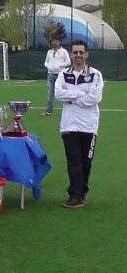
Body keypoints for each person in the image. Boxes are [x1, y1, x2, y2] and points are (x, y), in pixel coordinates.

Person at [54, 40, 103, 209]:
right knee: (73, 161)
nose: (78, 56)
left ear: (86, 54)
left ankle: (81, 193)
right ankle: (75, 195)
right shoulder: (63, 74)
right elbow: (58, 94)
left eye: (81, 52)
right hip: (69, 125)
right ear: (71, 54)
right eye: (75, 52)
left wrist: (72, 97)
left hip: (89, 125)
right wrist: (81, 93)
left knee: (85, 162)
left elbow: (95, 98)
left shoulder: (95, 74)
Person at [43, 37, 71, 116]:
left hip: (61, 75)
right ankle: (49, 111)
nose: (55, 43)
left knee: (64, 92)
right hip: (50, 74)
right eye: (53, 41)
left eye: (56, 41)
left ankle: (68, 110)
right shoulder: (49, 52)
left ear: (59, 42)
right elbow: (46, 62)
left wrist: (60, 66)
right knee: (50, 94)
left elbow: (68, 62)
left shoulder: (63, 51)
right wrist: (48, 66)